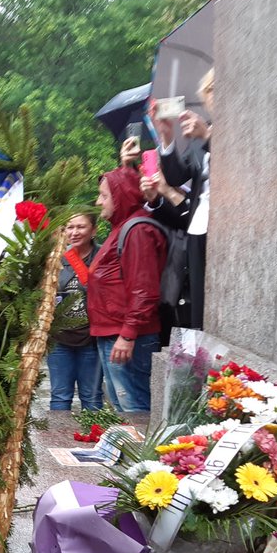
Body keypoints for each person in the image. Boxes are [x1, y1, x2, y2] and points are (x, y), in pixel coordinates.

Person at [86, 168, 168, 412]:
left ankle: (139, 451)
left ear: (121, 197)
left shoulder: (137, 230)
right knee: (123, 409)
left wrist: (128, 334)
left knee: (134, 409)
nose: (98, 201)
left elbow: (144, 289)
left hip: (127, 336)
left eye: (104, 196)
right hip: (113, 332)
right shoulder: (121, 228)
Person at [151, 68, 213, 330]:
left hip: (232, 222)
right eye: (210, 91)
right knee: (200, 296)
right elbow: (176, 176)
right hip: (200, 222)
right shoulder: (199, 139)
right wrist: (166, 135)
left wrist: (209, 137)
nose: (213, 96)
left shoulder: (209, 134)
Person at [47, 213, 104, 412]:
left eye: (80, 227)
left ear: (93, 230)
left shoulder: (104, 256)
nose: (74, 232)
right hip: (60, 340)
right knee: (60, 396)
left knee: (92, 396)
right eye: (70, 227)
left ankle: (94, 439)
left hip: (92, 338)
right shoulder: (56, 258)